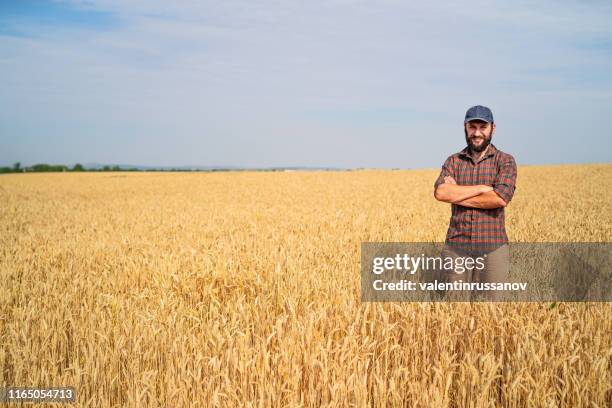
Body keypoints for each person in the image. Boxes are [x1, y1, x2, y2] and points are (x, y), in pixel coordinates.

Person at [433, 105, 517, 300]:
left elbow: (499, 198)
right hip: (456, 248)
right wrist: (481, 189)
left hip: (493, 248)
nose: (477, 133)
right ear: (465, 127)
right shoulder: (453, 161)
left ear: (492, 129)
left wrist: (458, 194)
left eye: (482, 127)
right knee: (455, 308)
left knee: (491, 310)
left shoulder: (505, 161)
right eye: (472, 127)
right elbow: (441, 192)